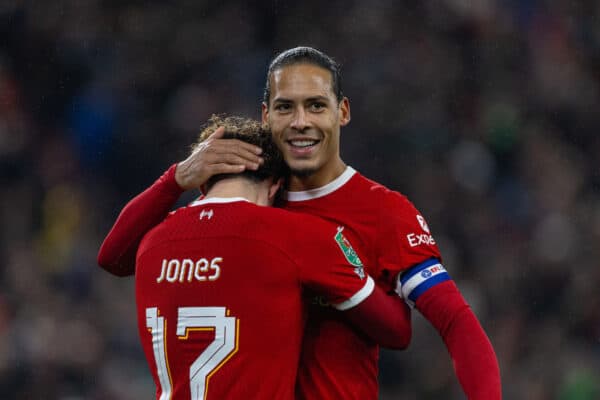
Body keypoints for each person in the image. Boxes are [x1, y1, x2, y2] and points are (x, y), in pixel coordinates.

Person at [98, 47, 501, 399]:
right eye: (285, 107)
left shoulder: (383, 212)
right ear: (266, 114)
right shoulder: (253, 206)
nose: (300, 121)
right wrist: (175, 178)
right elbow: (115, 257)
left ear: (342, 112)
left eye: (316, 105)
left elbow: (454, 321)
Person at [132, 115, 411, 399]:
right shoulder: (294, 234)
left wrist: (174, 179)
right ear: (277, 186)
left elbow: (110, 258)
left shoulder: (150, 241)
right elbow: (396, 330)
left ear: (203, 184)